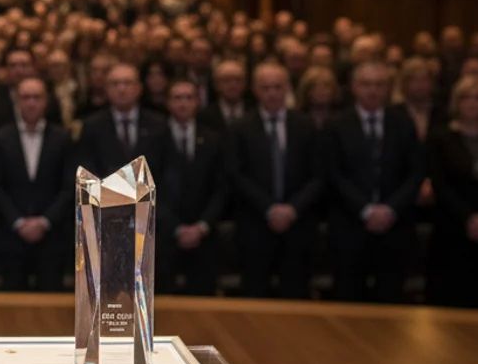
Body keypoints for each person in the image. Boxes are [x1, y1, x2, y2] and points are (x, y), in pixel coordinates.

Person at [325, 61, 425, 303]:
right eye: (366, 84)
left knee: (391, 298)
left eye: (379, 85)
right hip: (350, 226)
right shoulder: (336, 124)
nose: (372, 90)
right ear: (353, 87)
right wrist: (366, 210)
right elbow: (332, 174)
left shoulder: (403, 123)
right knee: (348, 298)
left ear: (388, 88)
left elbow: (416, 173)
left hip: (395, 226)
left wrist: (389, 209)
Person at [226, 62, 323, 298]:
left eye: (277, 87)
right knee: (255, 293)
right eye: (265, 87)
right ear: (255, 90)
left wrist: (292, 209)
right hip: (255, 224)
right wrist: (269, 209)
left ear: (287, 89)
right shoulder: (240, 127)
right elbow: (236, 174)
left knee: (296, 293)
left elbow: (318, 174)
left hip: (298, 224)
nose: (272, 93)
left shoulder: (306, 125)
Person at [427, 76, 478, 309]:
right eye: (466, 98)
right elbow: (440, 183)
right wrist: (468, 217)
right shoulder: (440, 138)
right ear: (457, 102)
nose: (472, 103)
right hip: (452, 228)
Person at [0, 78, 71, 291]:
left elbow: (68, 186)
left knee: (50, 300)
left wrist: (44, 221)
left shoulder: (63, 138)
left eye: (37, 97)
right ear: (16, 101)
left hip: (51, 237)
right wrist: (18, 222)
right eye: (26, 97)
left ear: (46, 101)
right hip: (11, 235)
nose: (31, 103)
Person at [161, 79, 224, 296]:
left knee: (202, 296)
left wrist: (202, 226)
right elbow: (148, 188)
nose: (183, 103)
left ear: (197, 102)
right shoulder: (154, 139)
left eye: (189, 98)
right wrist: (176, 228)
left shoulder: (213, 139)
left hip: (204, 234)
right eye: (177, 98)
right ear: (168, 103)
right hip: (164, 235)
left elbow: (221, 189)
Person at [77, 62, 173, 181]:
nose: (121, 89)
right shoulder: (92, 126)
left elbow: (169, 168)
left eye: (128, 83)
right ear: (107, 89)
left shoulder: (158, 124)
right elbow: (87, 170)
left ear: (139, 88)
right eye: (115, 84)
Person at [200, 59, 250, 130]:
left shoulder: (254, 112)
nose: (233, 85)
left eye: (238, 80)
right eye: (227, 80)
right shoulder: (204, 117)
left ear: (245, 83)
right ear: (216, 84)